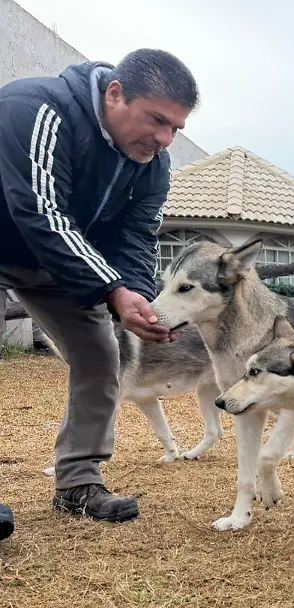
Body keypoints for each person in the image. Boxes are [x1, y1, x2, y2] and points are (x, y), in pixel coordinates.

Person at [0, 49, 198, 523]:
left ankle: (77, 482)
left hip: (58, 265)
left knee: (101, 352)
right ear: (115, 94)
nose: (165, 139)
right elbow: (42, 213)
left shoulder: (153, 164)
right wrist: (111, 288)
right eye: (157, 120)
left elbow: (137, 233)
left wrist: (135, 294)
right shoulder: (36, 109)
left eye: (176, 128)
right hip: (20, 237)